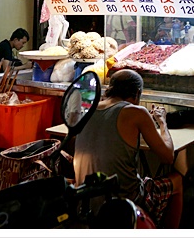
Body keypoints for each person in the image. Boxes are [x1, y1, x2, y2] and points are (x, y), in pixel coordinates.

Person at [73, 69, 183, 228]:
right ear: (137, 93)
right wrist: (162, 122)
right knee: (177, 181)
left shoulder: (87, 109)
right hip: (125, 204)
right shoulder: (136, 112)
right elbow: (168, 157)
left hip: (84, 201)